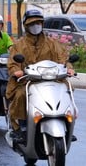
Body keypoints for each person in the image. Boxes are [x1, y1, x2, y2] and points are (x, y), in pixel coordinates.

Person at [6, 9, 73, 142]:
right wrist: (17, 71)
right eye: (32, 23)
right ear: (26, 26)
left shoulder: (52, 44)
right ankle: (21, 127)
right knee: (21, 95)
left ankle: (66, 122)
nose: (36, 26)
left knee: (67, 91)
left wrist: (69, 68)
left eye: (38, 23)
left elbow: (63, 59)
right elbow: (13, 63)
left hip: (51, 80)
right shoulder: (19, 45)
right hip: (27, 81)